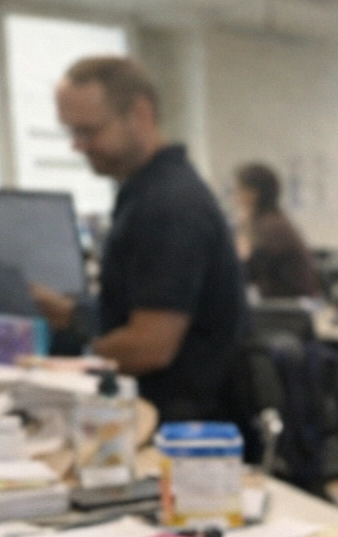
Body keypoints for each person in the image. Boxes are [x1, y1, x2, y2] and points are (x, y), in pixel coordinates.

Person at [33, 56, 247, 424]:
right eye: (72, 133)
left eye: (89, 131)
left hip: (179, 431)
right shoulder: (147, 193)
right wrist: (75, 316)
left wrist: (56, 369)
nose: (78, 147)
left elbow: (150, 347)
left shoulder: (170, 205)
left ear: (140, 113)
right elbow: (137, 311)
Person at [233, 162, 320, 300]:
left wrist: (242, 231)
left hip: (287, 312)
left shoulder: (271, 228)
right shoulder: (273, 221)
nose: (235, 195)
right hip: (283, 306)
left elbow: (247, 272)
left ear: (253, 193)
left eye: (239, 189)